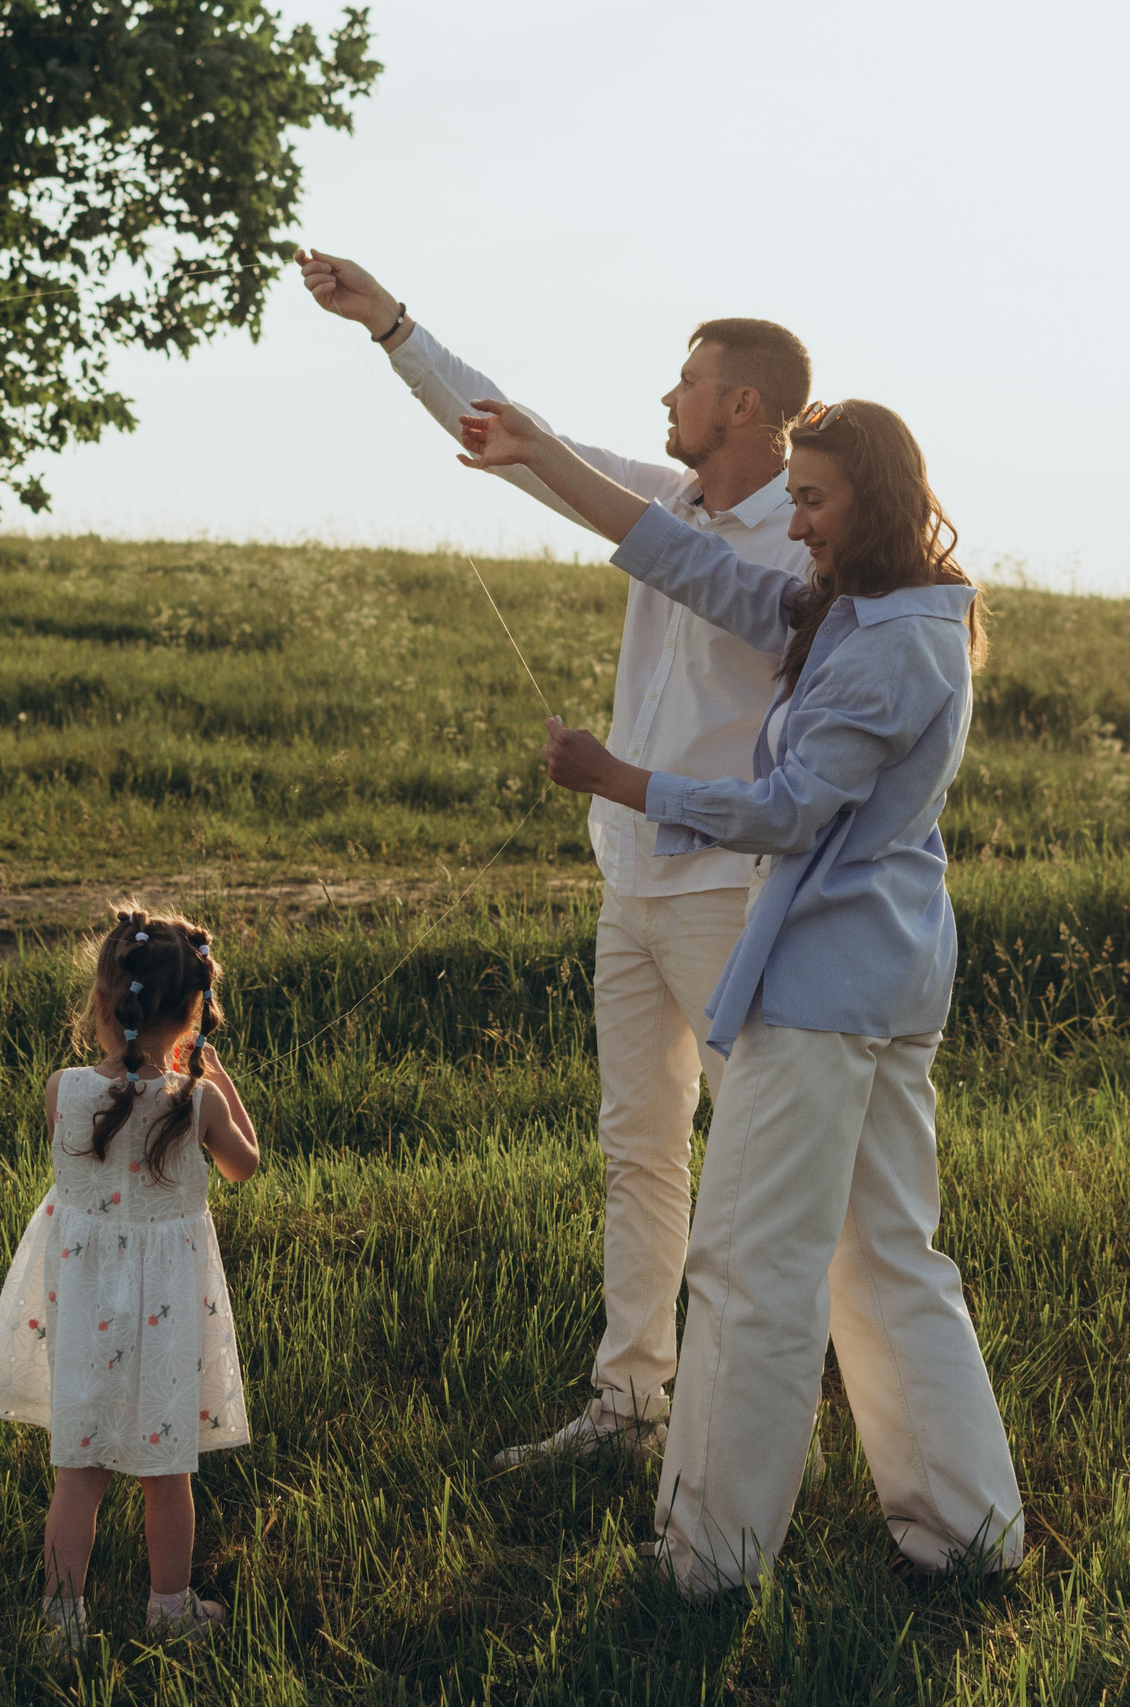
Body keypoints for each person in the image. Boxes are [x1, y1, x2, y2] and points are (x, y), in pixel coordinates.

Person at [457, 395, 1025, 1595]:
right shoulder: (859, 611)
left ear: (875, 497)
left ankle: (708, 1561)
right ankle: (965, 1533)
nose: (797, 523)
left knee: (746, 1267)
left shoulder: (883, 643)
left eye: (813, 500)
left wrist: (622, 779)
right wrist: (543, 456)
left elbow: (787, 810)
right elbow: (693, 566)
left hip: (822, 988)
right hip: (887, 974)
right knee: (888, 1259)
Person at [299, 250, 818, 1467]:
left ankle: (758, 1420)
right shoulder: (666, 497)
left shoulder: (805, 541)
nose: (667, 401)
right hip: (629, 882)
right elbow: (514, 430)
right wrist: (392, 327)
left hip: (730, 895)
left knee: (759, 1165)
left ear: (743, 404)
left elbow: (583, 487)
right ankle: (630, 1408)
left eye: (687, 383)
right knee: (637, 1153)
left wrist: (548, 459)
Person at [0, 909, 262, 1650]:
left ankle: (61, 1622)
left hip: (87, 1306)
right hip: (165, 1317)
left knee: (80, 1471)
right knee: (166, 1472)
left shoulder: (61, 1090)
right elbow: (246, 1162)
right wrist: (213, 1070)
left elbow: (85, 1156)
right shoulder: (198, 1102)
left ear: (103, 1005)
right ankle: (170, 1606)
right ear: (195, 1013)